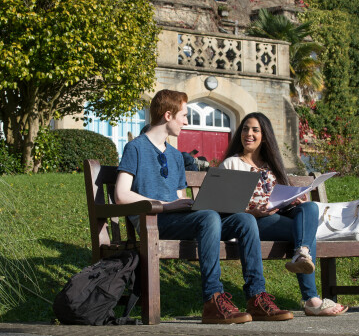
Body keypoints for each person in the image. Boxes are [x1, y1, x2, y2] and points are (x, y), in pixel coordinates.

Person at [114, 90, 293, 324]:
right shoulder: (135, 148)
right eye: (184, 115)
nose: (187, 121)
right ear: (168, 115)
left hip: (177, 219)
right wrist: (168, 205)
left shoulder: (176, 156)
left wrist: (197, 203)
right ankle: (212, 300)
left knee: (244, 220)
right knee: (208, 217)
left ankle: (256, 297)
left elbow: (180, 198)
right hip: (152, 221)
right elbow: (120, 194)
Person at [219, 112, 348, 317]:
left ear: (265, 136)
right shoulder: (231, 164)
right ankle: (310, 298)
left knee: (310, 208)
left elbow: (280, 197)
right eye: (245, 129)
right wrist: (250, 211)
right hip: (251, 223)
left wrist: (293, 199)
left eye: (255, 130)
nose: (248, 134)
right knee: (306, 232)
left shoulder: (272, 166)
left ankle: (301, 255)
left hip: (277, 216)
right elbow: (223, 205)